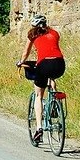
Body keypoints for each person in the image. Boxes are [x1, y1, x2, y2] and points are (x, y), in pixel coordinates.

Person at [16, 15, 65, 144]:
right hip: (60, 64)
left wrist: (21, 62)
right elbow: (52, 49)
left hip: (43, 64)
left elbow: (26, 52)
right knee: (51, 77)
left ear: (34, 26)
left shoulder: (32, 34)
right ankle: (54, 98)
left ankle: (39, 128)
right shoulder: (54, 33)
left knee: (38, 95)